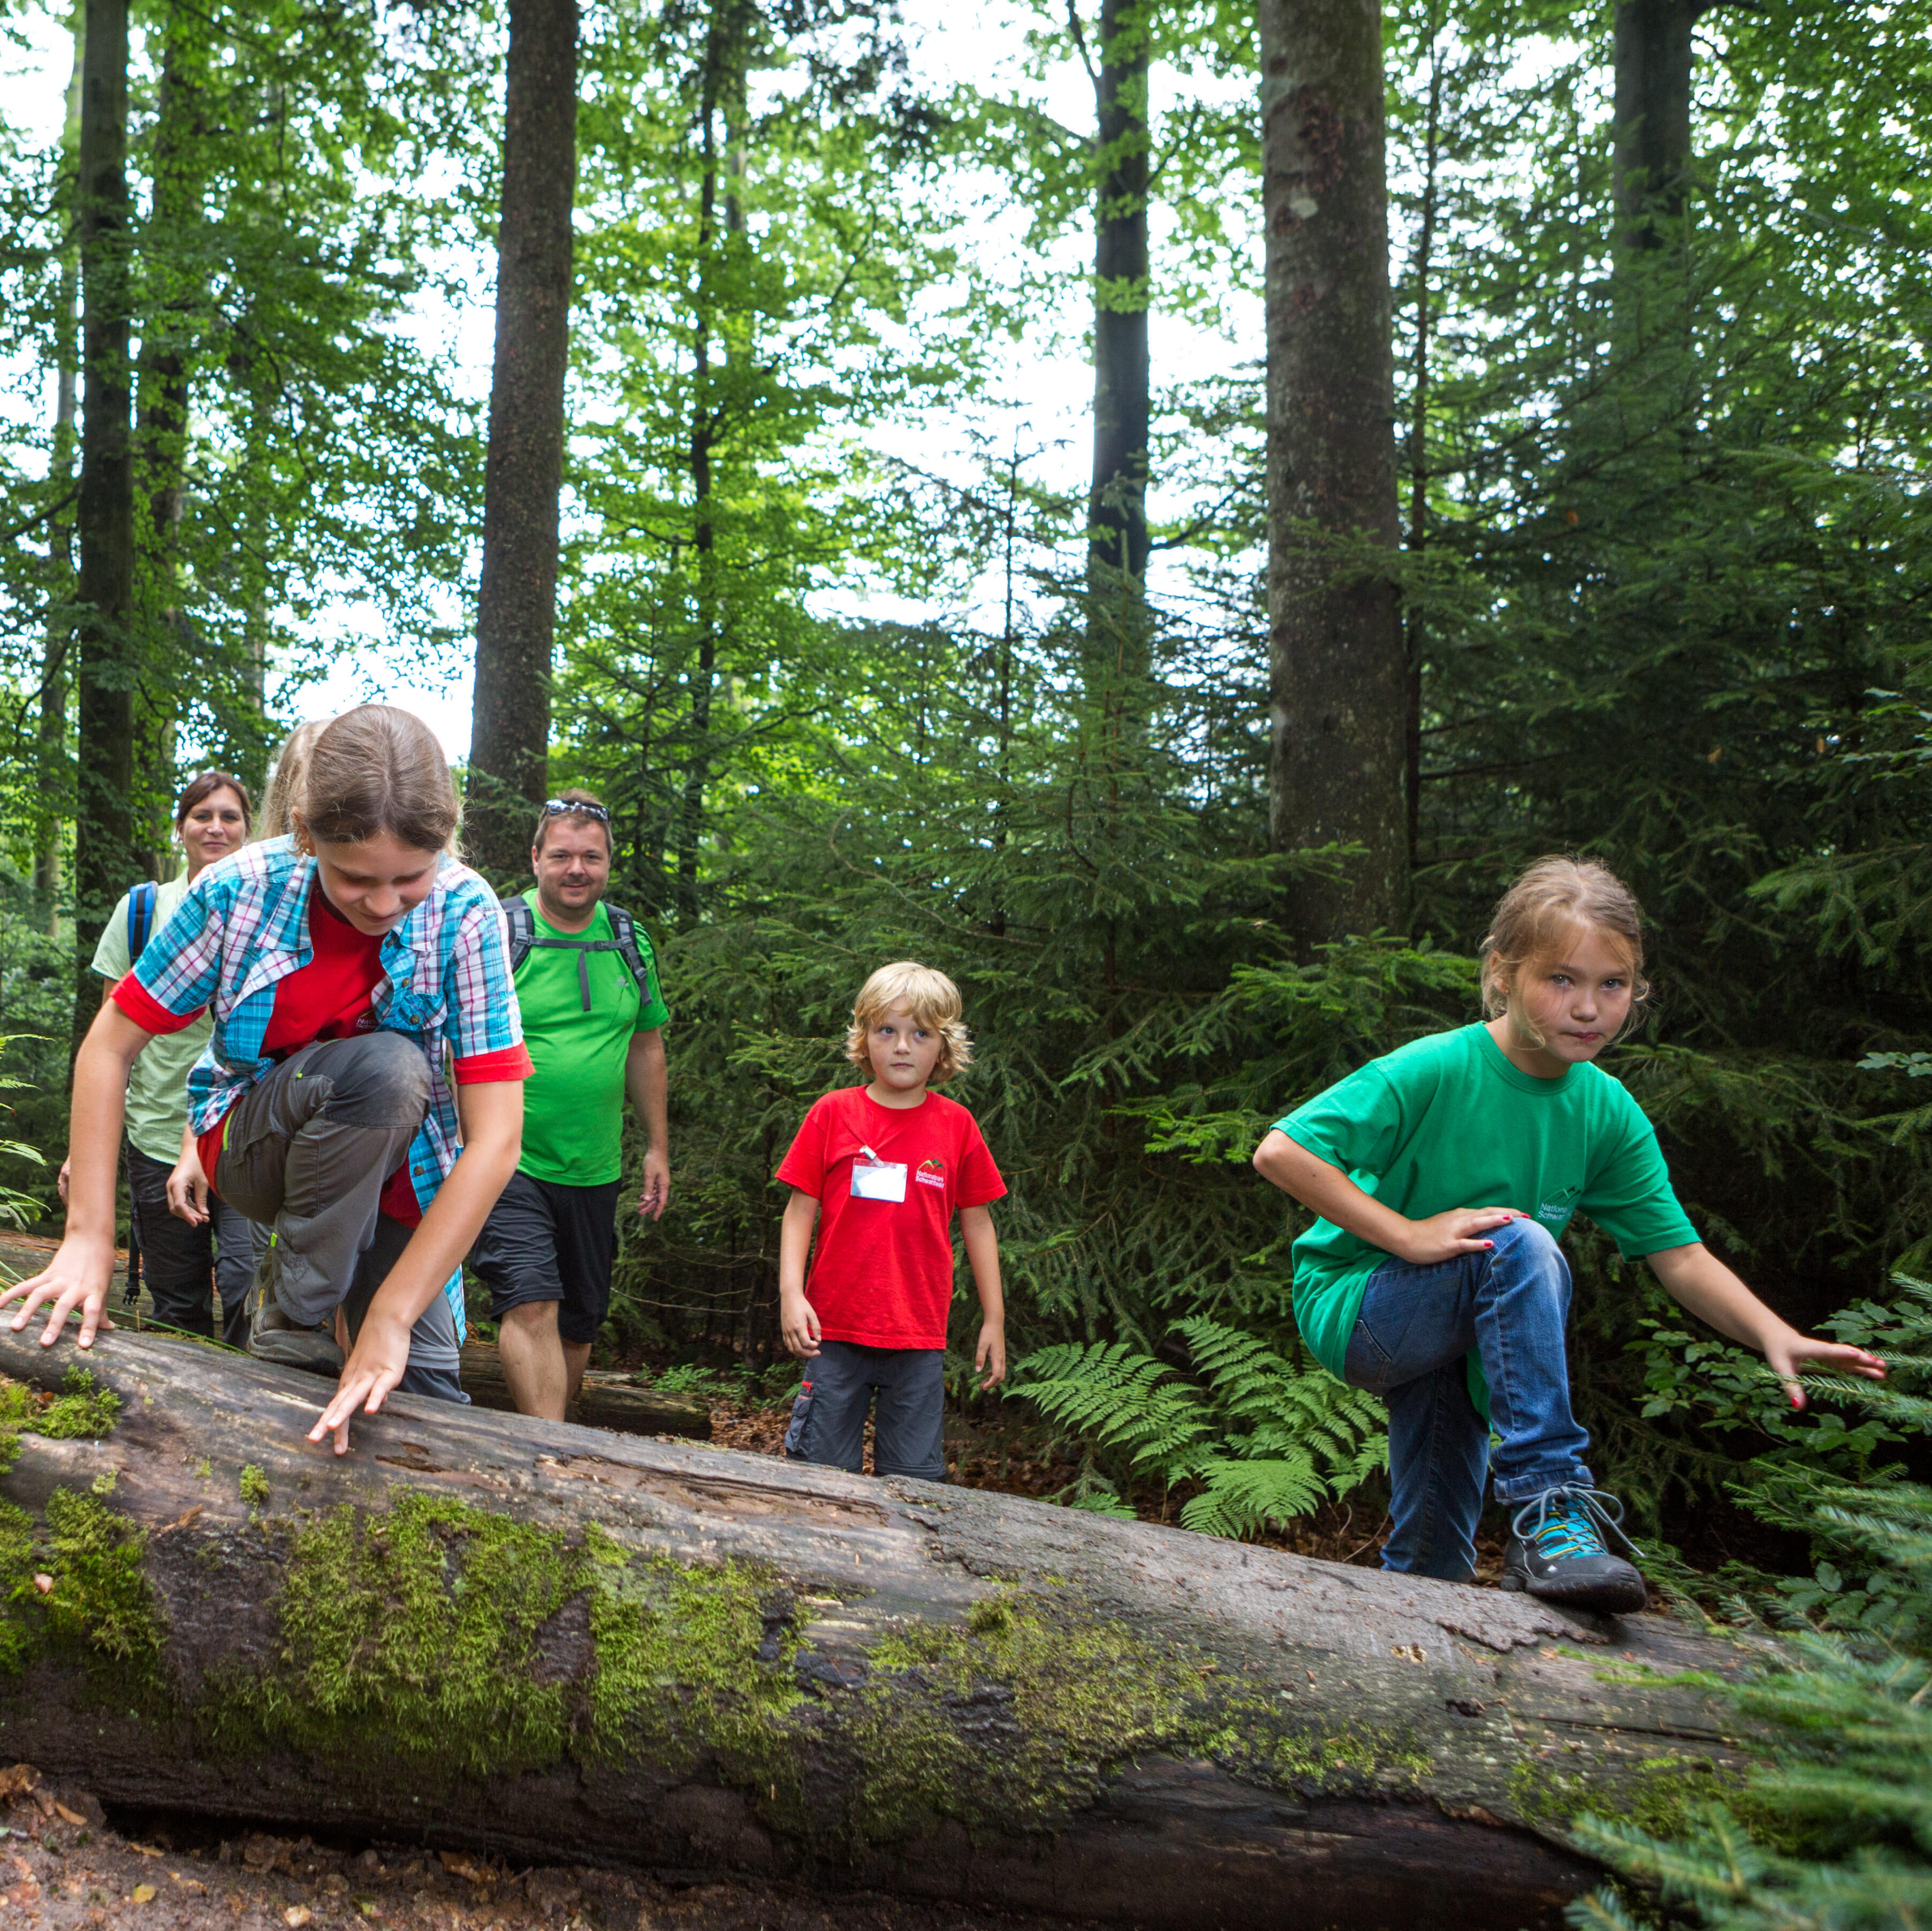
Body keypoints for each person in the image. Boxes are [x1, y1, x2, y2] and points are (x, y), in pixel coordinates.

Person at [1251, 856, 1887, 1614]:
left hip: (1460, 1315)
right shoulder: (1435, 1067)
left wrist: (1770, 1334)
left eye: (1610, 985)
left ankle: (1406, 1639)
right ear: (1501, 975)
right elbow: (1282, 1151)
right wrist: (1407, 1234)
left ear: (1635, 990)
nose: (1588, 1007)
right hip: (1358, 1307)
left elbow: (1678, 1255)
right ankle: (1552, 1507)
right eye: (1561, 980)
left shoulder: (1605, 1111)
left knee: (1433, 1561)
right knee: (1519, 1246)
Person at [3, 704, 533, 1455]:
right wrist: (89, 1236)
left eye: (409, 879)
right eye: (356, 879)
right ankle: (298, 1308)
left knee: (422, 1399)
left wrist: (389, 1317)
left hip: (404, 1179)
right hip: (256, 1146)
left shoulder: (468, 911)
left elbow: (496, 1140)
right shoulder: (238, 889)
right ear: (304, 833)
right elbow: (107, 1047)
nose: (383, 906)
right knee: (389, 1066)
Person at [467, 789, 672, 1421]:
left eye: (591, 857)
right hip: (509, 1160)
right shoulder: (501, 931)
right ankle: (548, 1460)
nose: (576, 869)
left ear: (609, 863)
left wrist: (657, 1146)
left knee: (579, 1324)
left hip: (593, 1169)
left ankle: (554, 1440)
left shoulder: (629, 940)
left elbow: (646, 1045)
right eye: (561, 856)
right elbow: (458, 1038)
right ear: (535, 859)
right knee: (530, 1303)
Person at [775, 961, 1007, 1483]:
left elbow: (979, 1225)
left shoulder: (958, 1127)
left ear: (943, 1048)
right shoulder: (832, 1114)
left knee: (915, 1488)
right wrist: (792, 1293)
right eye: (887, 1031)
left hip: (918, 1337)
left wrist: (994, 1320)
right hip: (832, 1331)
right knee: (818, 1481)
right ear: (865, 1040)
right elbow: (798, 1212)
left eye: (920, 1034)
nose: (902, 1047)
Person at [59, 772, 257, 1345]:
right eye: (202, 816)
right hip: (155, 1133)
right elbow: (106, 1040)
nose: (215, 827)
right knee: (176, 1300)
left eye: (229, 817)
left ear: (249, 831)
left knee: (250, 1289)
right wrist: (82, 1151)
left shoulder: (270, 911)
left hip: (244, 1134)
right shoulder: (143, 912)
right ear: (181, 829)